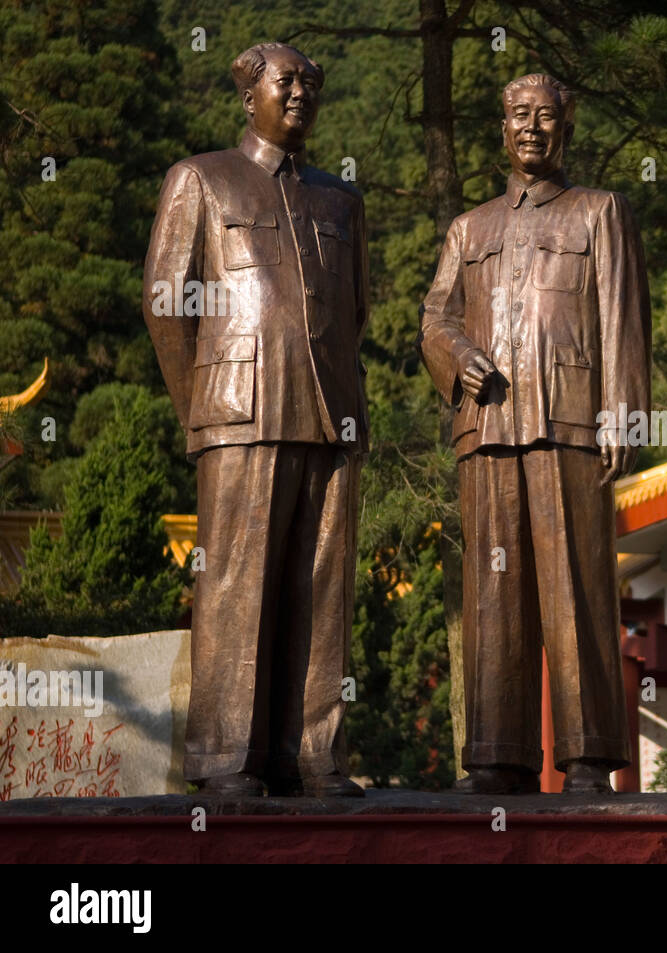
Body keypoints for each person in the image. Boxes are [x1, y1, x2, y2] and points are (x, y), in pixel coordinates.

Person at [142, 42, 369, 798]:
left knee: (322, 588)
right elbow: (167, 302)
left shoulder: (341, 200)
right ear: (249, 97)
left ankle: (313, 754)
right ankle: (226, 757)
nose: (301, 91)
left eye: (311, 81)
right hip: (238, 413)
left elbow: (356, 312)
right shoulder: (201, 179)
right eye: (286, 81)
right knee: (237, 586)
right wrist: (200, 406)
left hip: (330, 413)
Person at [418, 73, 651, 794]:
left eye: (545, 116)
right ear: (502, 127)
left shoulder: (599, 212)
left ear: (565, 127)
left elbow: (623, 316)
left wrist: (624, 410)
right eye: (519, 115)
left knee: (577, 587)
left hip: (570, 418)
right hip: (487, 427)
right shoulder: (470, 228)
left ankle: (587, 755)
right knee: (494, 594)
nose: (531, 128)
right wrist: (458, 358)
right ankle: (497, 753)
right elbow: (435, 317)